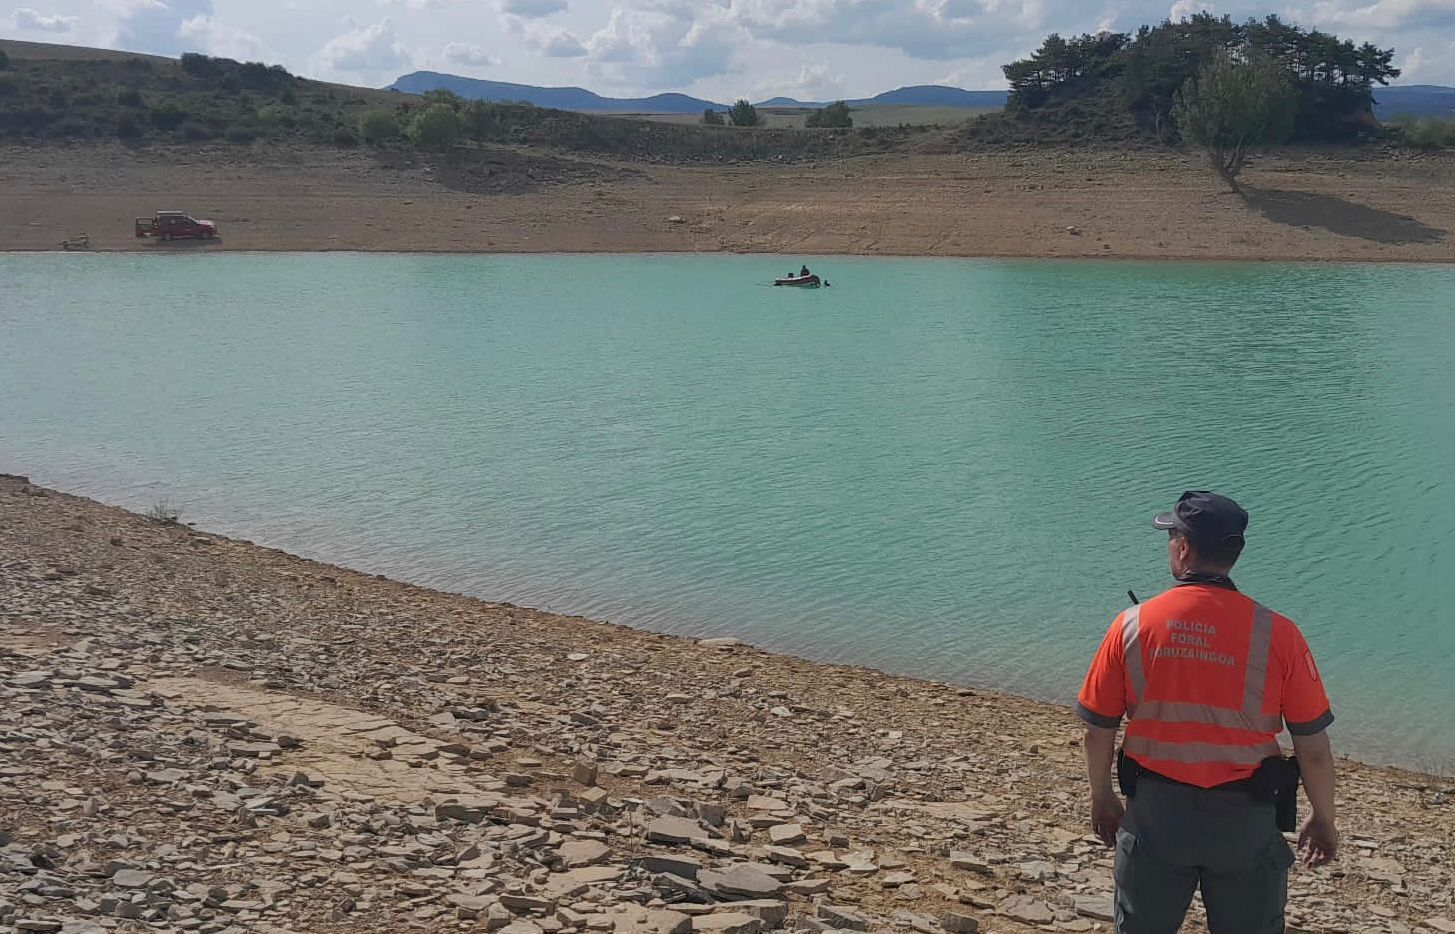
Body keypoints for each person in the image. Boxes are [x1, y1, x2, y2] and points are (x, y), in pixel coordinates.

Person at [1077, 491, 1339, 934]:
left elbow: (1098, 730)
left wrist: (1101, 796)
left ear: (1182, 550)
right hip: (1246, 820)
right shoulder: (1279, 633)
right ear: (1233, 553)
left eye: (1170, 537)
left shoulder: (1132, 625)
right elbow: (1312, 747)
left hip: (1156, 815)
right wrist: (1324, 816)